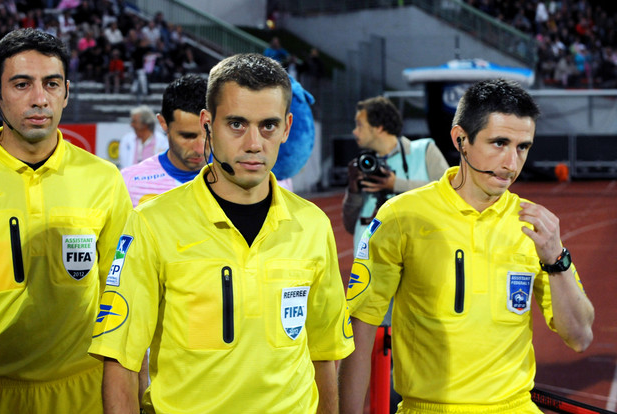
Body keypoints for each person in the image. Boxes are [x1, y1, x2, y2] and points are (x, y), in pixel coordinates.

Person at [91, 53, 354, 414]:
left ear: (287, 127)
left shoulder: (313, 225)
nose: (253, 143)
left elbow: (324, 353)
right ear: (207, 123)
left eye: (268, 126)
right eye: (236, 124)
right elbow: (120, 358)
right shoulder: (152, 223)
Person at [338, 79, 595, 413]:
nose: (511, 163)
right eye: (499, 143)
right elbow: (361, 329)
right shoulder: (402, 216)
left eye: (522, 147)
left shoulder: (534, 226)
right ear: (460, 139)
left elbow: (580, 337)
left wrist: (556, 261)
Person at [0, 28, 133, 414]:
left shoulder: (103, 179)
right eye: (21, 84)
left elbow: (120, 295)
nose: (39, 99)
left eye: (51, 84)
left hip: (83, 388)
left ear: (67, 92)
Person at [342, 96, 448, 251]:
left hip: (418, 254)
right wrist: (353, 190)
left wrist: (396, 184)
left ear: (379, 127)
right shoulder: (365, 165)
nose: (354, 132)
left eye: (359, 125)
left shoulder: (424, 150)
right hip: (371, 260)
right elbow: (350, 225)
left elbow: (449, 192)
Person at [121, 74, 206, 207]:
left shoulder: (240, 179)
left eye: (210, 135)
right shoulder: (130, 182)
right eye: (187, 136)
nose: (200, 149)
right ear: (163, 123)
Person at [118, 104, 168, 169]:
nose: (131, 125)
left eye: (134, 122)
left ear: (145, 124)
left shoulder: (162, 141)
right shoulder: (126, 140)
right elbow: (123, 166)